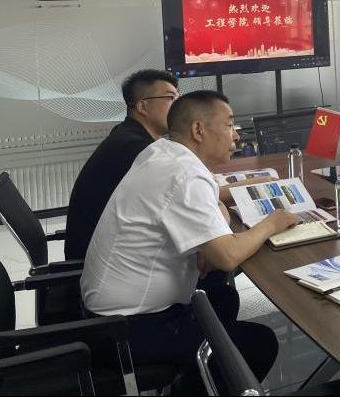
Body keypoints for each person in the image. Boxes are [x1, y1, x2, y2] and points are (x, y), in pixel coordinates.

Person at [81, 90, 293, 392]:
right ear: (198, 130)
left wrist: (210, 239)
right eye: (229, 125)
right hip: (126, 330)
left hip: (105, 314)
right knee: (258, 343)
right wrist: (273, 222)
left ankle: (194, 375)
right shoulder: (185, 173)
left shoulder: (161, 151)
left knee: (222, 295)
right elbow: (227, 256)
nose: (236, 135)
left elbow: (207, 204)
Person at [64, 70, 180, 261]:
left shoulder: (127, 134)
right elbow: (182, 197)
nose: (179, 106)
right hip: (105, 263)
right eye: (170, 98)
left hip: (112, 250)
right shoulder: (134, 148)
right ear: (143, 106)